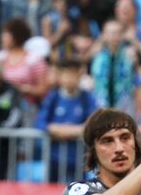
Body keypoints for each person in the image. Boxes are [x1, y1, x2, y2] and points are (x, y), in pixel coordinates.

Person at [38, 54, 99, 183]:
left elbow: (94, 123)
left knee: (78, 194)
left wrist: (68, 131)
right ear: (60, 76)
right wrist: (56, 129)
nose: (69, 78)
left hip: (78, 158)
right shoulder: (53, 97)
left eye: (73, 74)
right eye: (66, 74)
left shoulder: (87, 98)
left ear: (79, 75)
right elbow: (40, 122)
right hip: (54, 157)